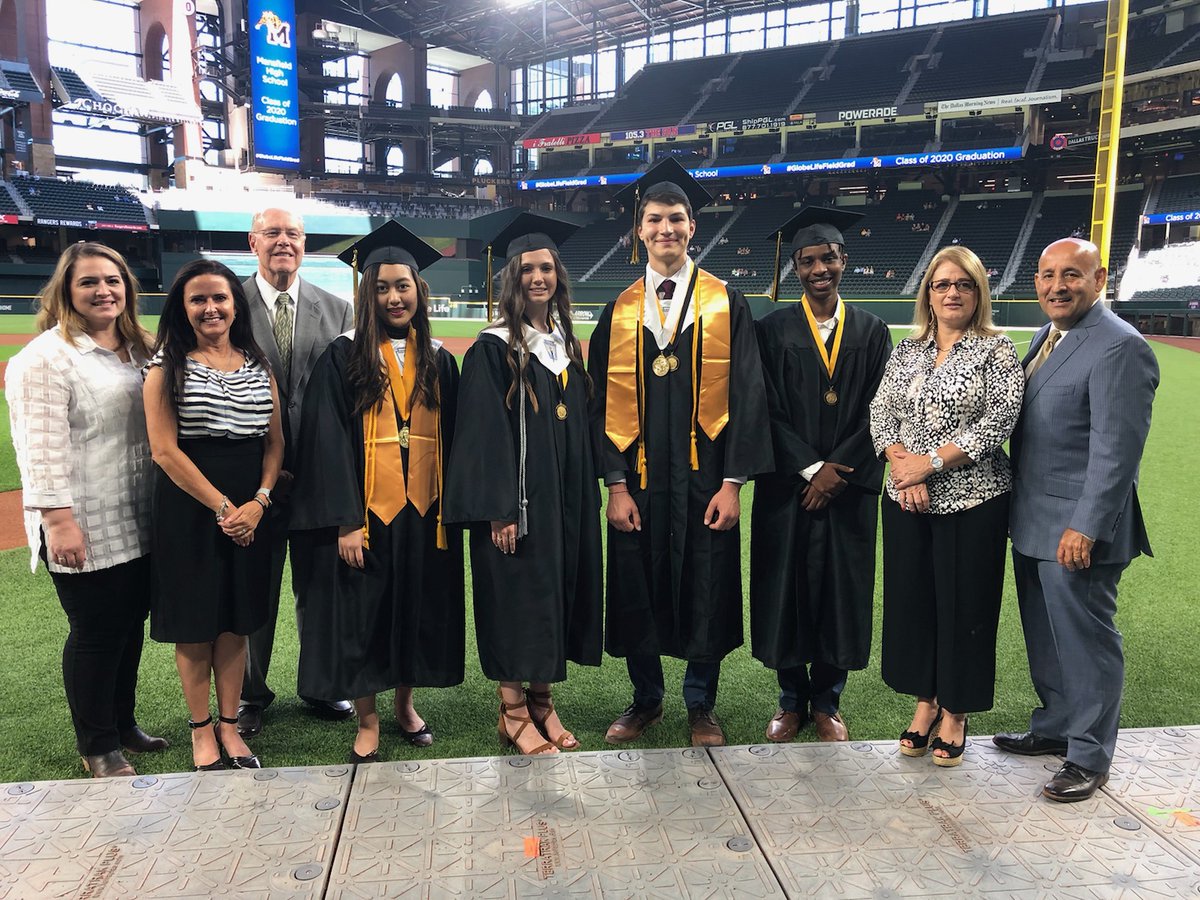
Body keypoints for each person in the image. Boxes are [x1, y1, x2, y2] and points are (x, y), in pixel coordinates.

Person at [588, 158, 772, 748]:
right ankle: (645, 700)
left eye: (676, 219)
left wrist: (733, 482)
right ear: (639, 231)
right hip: (638, 478)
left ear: (693, 227)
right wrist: (615, 483)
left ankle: (700, 705)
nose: (665, 229)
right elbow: (599, 407)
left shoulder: (724, 303)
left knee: (707, 581)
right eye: (653, 220)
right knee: (636, 582)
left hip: (705, 478)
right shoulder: (619, 311)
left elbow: (747, 394)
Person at [289, 221, 464, 763]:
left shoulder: (439, 358)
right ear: (367, 295)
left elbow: (456, 439)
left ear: (419, 291)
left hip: (423, 512)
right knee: (363, 618)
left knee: (413, 610)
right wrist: (344, 519)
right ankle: (367, 719)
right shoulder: (342, 357)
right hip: (367, 514)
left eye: (402, 286)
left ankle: (405, 706)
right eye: (382, 287)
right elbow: (326, 445)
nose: (393, 297)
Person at [994, 238, 1159, 801]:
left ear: (1099, 279)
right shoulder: (1051, 334)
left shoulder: (1119, 346)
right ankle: (1055, 729)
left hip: (1077, 531)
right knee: (1046, 637)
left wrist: (1085, 526)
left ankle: (1089, 755)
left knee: (1087, 641)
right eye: (1046, 275)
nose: (1057, 286)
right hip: (1034, 520)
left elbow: (1117, 453)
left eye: (1071, 275)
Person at [6, 242, 168, 778]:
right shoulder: (45, 358)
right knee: (97, 630)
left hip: (139, 514)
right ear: (66, 292)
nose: (103, 291)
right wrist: (58, 520)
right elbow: (40, 448)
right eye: (89, 283)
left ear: (127, 287)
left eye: (113, 281)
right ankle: (97, 744)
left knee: (129, 625)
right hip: (85, 519)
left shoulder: (142, 348)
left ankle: (123, 724)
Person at [445, 213, 603, 755]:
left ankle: (543, 700)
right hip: (517, 505)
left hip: (564, 499)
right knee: (516, 597)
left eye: (546, 267)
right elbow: (480, 436)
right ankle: (512, 709)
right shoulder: (493, 349)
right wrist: (500, 508)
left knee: (553, 593)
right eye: (527, 269)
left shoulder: (564, 345)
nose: (539, 277)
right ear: (511, 277)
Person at [869, 246, 1024, 765]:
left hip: (973, 501)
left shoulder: (995, 350)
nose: (952, 293)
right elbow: (881, 412)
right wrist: (901, 465)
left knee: (965, 607)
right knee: (915, 605)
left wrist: (929, 464)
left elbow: (998, 421)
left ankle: (956, 710)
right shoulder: (907, 350)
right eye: (942, 284)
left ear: (978, 292)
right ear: (927, 294)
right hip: (907, 501)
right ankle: (925, 701)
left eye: (963, 284)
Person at [750, 207, 893, 744]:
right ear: (795, 268)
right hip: (789, 489)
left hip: (848, 492)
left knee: (842, 591)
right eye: (808, 261)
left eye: (827, 258)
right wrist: (811, 468)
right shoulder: (770, 331)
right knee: (784, 590)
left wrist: (839, 474)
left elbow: (885, 409)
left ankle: (828, 701)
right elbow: (761, 409)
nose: (819, 269)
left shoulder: (873, 331)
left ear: (843, 261)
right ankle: (790, 701)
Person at [144, 259, 284, 771]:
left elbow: (274, 443)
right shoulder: (166, 365)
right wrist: (226, 508)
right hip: (190, 509)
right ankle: (202, 732)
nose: (210, 308)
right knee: (196, 623)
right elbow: (164, 451)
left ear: (234, 305)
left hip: (251, 511)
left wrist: (259, 502)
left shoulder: (257, 362)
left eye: (219, 298)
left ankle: (231, 726)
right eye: (198, 300)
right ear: (182, 310)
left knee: (236, 622)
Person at [239, 207, 355, 737]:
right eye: (272, 233)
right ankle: (249, 694)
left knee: (320, 590)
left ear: (304, 243)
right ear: (253, 242)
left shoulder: (338, 309)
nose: (282, 242)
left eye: (292, 234)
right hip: (249, 480)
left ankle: (323, 687)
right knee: (253, 592)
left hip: (318, 476)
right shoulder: (227, 303)